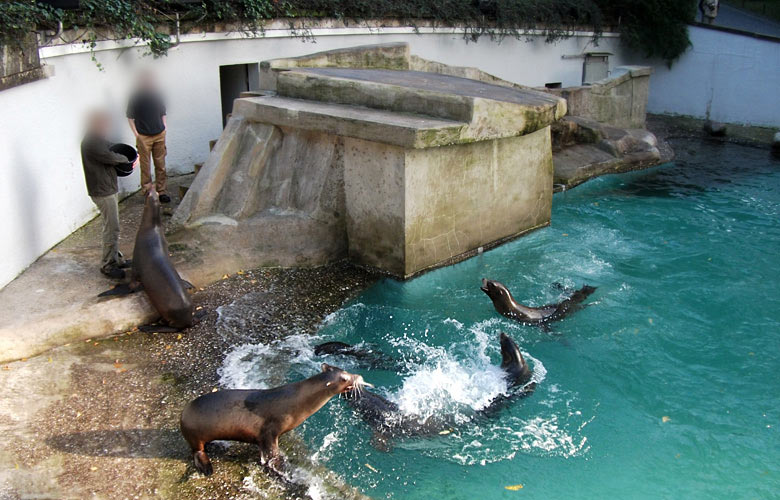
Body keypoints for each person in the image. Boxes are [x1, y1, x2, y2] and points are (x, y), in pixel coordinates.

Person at [81, 111, 138, 279]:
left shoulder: (97, 139)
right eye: (104, 125)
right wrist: (127, 159)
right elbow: (110, 156)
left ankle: (116, 259)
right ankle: (108, 265)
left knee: (113, 226)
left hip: (108, 189)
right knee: (111, 227)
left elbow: (110, 145)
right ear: (95, 125)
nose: (106, 128)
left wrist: (129, 155)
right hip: (103, 191)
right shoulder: (91, 142)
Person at [127, 71, 171, 203]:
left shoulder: (157, 95)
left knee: (161, 165)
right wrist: (136, 134)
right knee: (145, 167)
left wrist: (164, 126)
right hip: (143, 136)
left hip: (159, 134)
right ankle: (148, 192)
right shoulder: (135, 97)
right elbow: (130, 117)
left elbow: (163, 111)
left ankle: (161, 191)